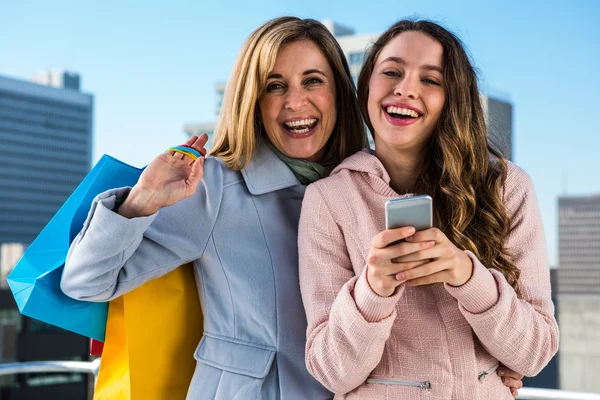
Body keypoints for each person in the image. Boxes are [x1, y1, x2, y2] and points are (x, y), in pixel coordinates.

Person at [61, 17, 366, 399]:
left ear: (338, 91)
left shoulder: (369, 184)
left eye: (313, 81)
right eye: (275, 86)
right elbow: (85, 282)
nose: (295, 101)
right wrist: (141, 201)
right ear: (253, 100)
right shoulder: (217, 186)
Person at [298, 19, 558, 399]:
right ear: (367, 83)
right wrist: (373, 290)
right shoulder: (329, 200)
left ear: (453, 99)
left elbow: (535, 353)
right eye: (391, 72)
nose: (405, 89)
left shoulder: (506, 186)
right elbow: (332, 372)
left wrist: (469, 277)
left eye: (431, 80)